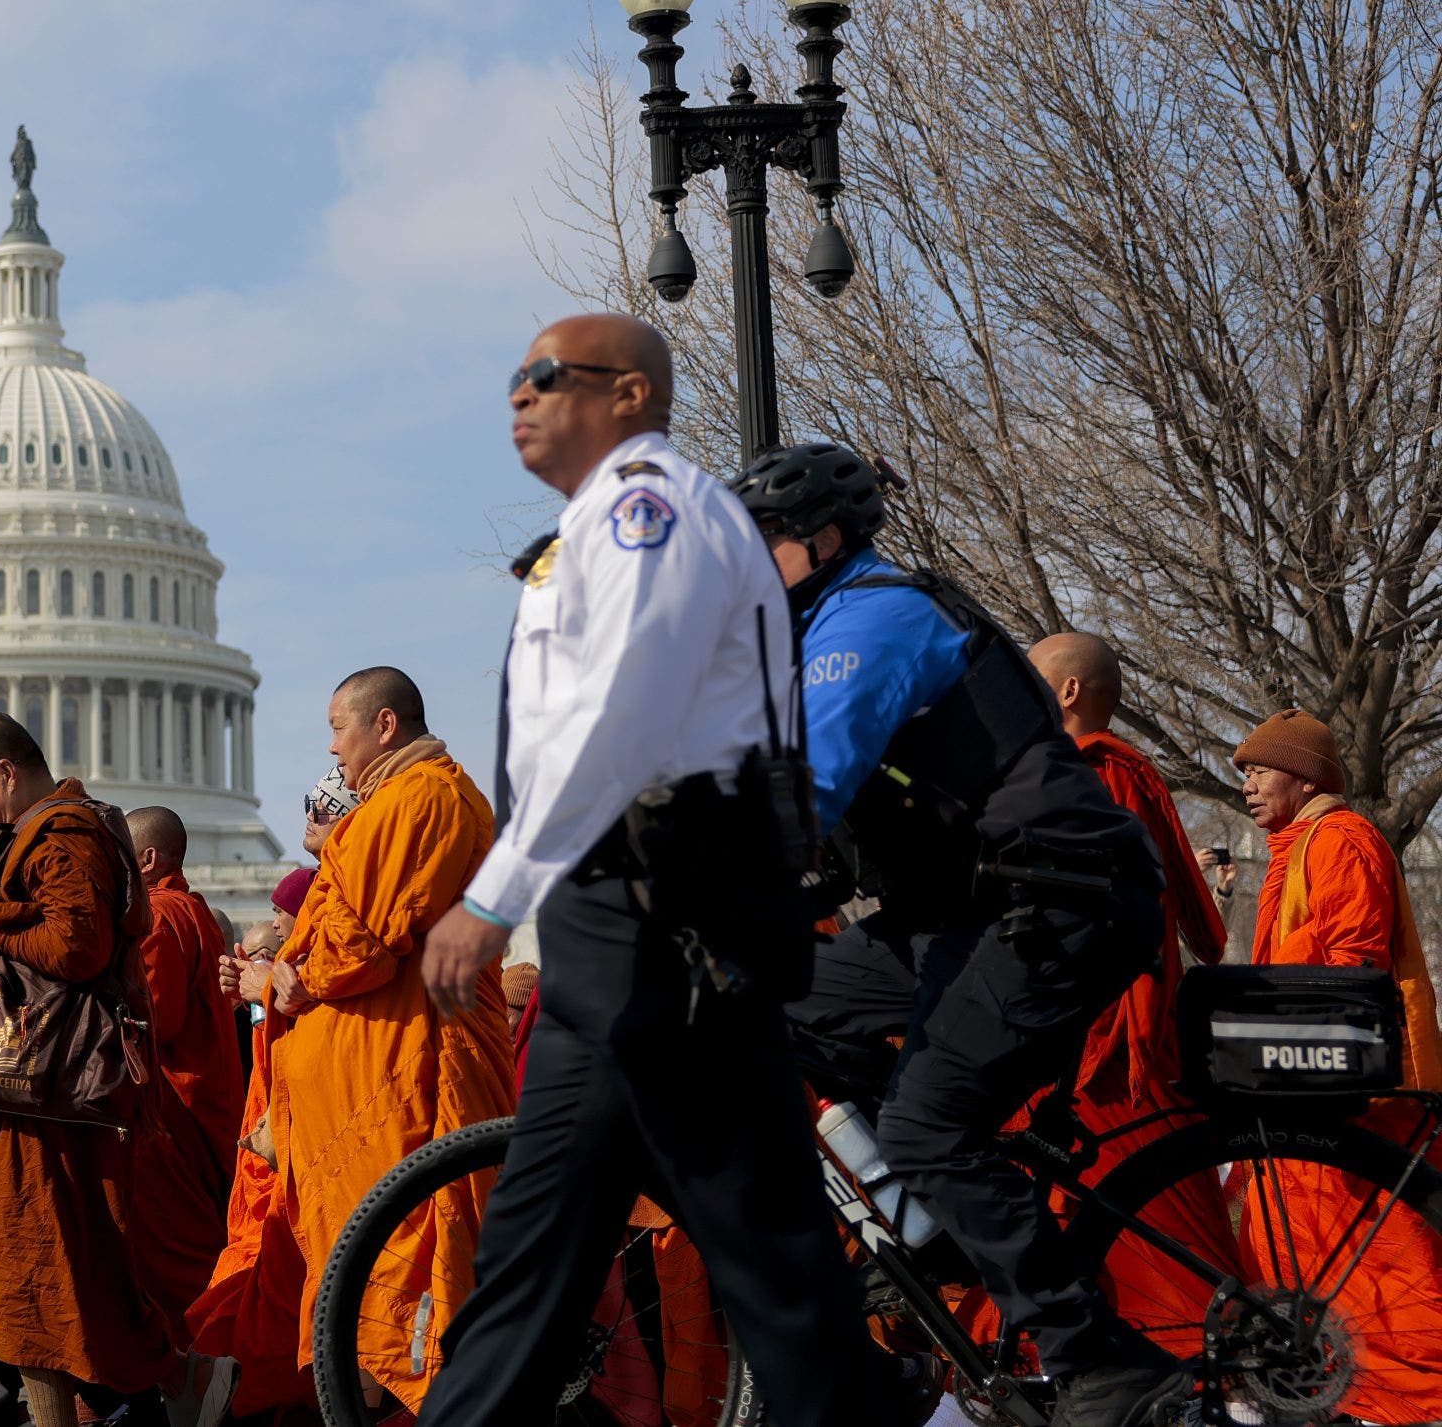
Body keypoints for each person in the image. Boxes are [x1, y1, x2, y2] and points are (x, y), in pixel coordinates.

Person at [417, 317, 919, 1427]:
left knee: (772, 1262)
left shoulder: (654, 510)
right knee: (533, 1255)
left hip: (676, 920)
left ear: (631, 393)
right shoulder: (595, 524)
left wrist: (495, 897)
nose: (520, 396)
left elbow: (620, 717)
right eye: (514, 378)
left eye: (544, 377)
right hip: (622, 928)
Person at [729, 440, 1174, 1425]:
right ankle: (927, 1223)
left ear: (825, 540)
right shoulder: (811, 634)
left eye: (761, 544)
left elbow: (804, 791)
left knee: (930, 1123)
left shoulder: (872, 617)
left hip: (1059, 898)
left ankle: (1101, 1362)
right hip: (962, 912)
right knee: (775, 1001)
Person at [272, 667, 513, 1416]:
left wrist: (291, 976)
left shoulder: (424, 797)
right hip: (380, 1084)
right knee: (380, 1278)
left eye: (339, 730)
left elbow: (359, 942)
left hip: (413, 1078)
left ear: (384, 725)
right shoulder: (403, 800)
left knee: (412, 1271)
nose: (333, 752)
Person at [0, 713, 176, 1427]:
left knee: (39, 1278)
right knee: (42, 1279)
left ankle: (167, 1387)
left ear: (6, 772)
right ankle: (174, 1386)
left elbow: (77, 945)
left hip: (50, 1091)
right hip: (32, 1095)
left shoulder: (63, 833)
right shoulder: (45, 832)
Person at [1026, 635, 1238, 1351]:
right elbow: (1200, 921)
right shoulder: (1121, 771)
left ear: (1068, 693)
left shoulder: (1103, 772)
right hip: (1097, 1021)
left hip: (1108, 1035)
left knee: (1138, 1207)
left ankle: (1202, 1353)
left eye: (1030, 677)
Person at [1233, 708, 1442, 1424]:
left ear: (1301, 774)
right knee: (1307, 1250)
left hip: (1357, 1090)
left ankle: (1416, 1402)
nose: (1248, 787)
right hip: (1310, 1082)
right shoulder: (1305, 842)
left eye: (1258, 771)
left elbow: (1350, 965)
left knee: (1384, 1259)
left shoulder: (1342, 839)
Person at [188, 904, 318, 1422]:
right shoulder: (259, 1009)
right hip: (261, 1179)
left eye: (278, 944)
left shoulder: (311, 986)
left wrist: (269, 989)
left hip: (303, 1175)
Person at [123, 806, 241, 1351]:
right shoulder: (191, 909)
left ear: (146, 859)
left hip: (175, 1108)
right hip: (204, 1102)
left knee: (175, 1263)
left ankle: (201, 1369)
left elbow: (149, 1021)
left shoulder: (159, 916)